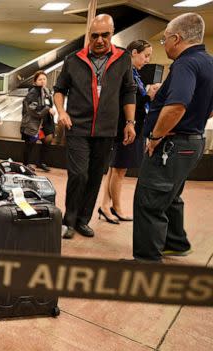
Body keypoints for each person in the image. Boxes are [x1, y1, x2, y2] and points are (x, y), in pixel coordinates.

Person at [132, 13, 213, 262]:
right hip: (194, 141)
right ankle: (175, 243)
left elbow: (177, 105)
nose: (164, 45)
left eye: (164, 39)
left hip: (172, 143)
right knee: (171, 194)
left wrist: (156, 136)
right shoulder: (209, 62)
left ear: (176, 38)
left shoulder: (185, 64)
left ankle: (146, 262)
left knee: (149, 199)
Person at [53, 14, 136, 239]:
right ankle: (68, 221)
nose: (99, 40)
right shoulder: (73, 59)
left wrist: (130, 122)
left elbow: (129, 91)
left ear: (112, 33)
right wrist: (62, 112)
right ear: (89, 35)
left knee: (95, 176)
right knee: (78, 174)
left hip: (107, 130)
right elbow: (59, 89)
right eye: (95, 35)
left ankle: (83, 220)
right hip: (78, 128)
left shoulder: (123, 59)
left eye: (105, 35)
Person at [99, 40, 161, 224]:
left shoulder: (133, 74)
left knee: (114, 169)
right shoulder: (126, 74)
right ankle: (116, 208)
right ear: (134, 52)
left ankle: (104, 205)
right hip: (127, 127)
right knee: (119, 170)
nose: (147, 60)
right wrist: (148, 96)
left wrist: (147, 93)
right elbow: (127, 103)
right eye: (146, 55)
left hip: (130, 126)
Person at [20, 70, 55, 172]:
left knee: (48, 139)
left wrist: (49, 109)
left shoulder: (47, 91)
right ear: (35, 82)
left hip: (45, 121)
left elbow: (48, 104)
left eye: (44, 79)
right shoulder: (32, 93)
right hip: (33, 122)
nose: (42, 81)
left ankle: (40, 162)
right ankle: (26, 164)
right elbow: (32, 109)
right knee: (30, 143)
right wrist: (47, 109)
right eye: (40, 79)